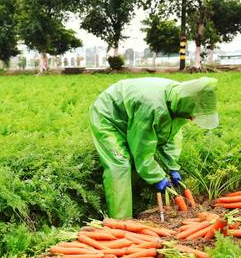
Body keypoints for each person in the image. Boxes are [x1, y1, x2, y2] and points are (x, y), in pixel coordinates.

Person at [89, 77, 218, 219]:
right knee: (120, 163)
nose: (193, 118)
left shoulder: (181, 101)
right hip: (108, 116)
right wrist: (157, 177)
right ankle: (121, 223)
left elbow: (171, 134)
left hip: (132, 115)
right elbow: (142, 150)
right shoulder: (152, 107)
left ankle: (135, 202)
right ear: (188, 105)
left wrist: (172, 165)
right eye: (193, 114)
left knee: (134, 160)